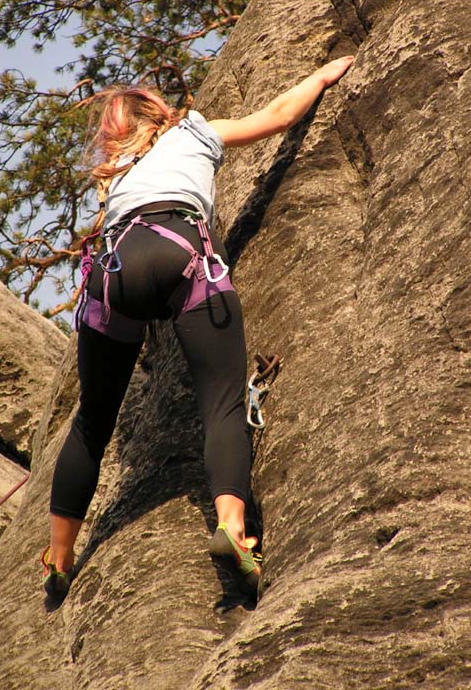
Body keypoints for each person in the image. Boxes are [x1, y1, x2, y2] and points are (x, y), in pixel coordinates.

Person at [40, 54, 354, 600]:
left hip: (112, 274)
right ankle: (232, 528)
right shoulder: (193, 131)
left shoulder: (115, 177)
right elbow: (279, 116)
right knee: (222, 404)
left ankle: (59, 556)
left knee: (92, 422)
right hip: (180, 253)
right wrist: (323, 75)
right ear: (159, 113)